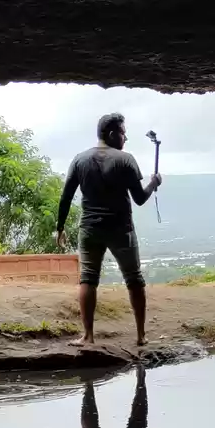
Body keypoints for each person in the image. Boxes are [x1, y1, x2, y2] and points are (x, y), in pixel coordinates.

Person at [56, 112, 161, 347]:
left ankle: (88, 336)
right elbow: (140, 199)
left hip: (90, 229)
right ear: (113, 134)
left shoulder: (79, 160)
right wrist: (154, 182)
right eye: (124, 132)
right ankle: (141, 336)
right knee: (134, 279)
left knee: (88, 279)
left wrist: (60, 227)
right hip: (121, 229)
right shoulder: (125, 160)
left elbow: (66, 197)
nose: (126, 138)